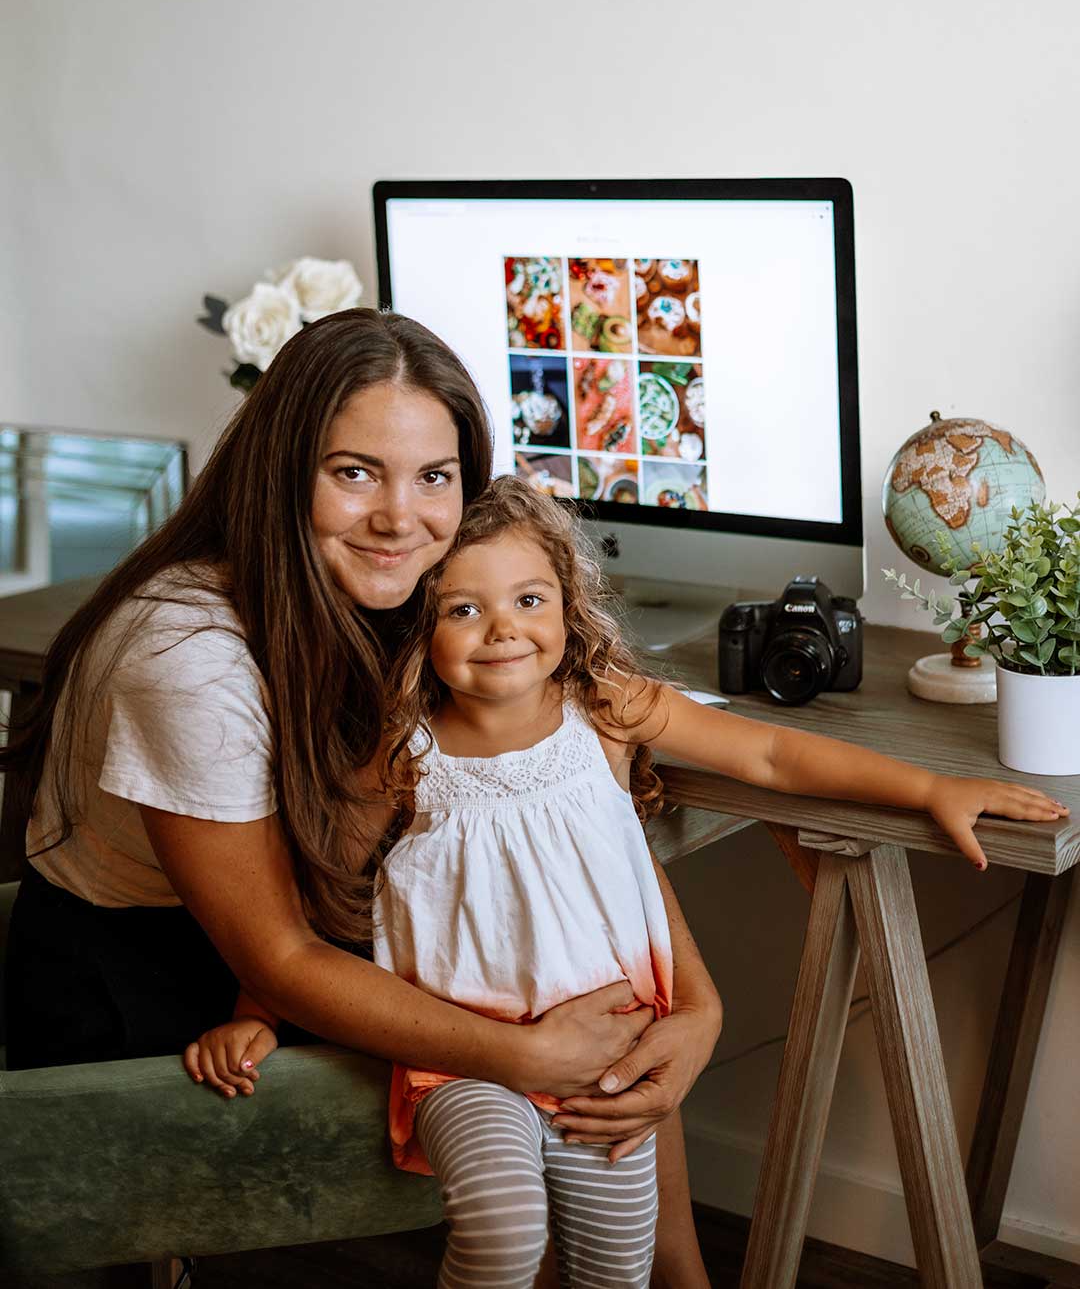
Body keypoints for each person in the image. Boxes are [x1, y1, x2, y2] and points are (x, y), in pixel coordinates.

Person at [185, 475, 1068, 1288]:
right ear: (420, 628)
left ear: (568, 606)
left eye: (530, 600)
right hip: (461, 1059)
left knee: (619, 1265)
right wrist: (253, 1012)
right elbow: (315, 896)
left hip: (611, 1053)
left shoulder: (603, 708)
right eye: (463, 608)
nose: (503, 629)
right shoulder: (399, 752)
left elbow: (768, 751)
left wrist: (931, 788)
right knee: (502, 1233)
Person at [0, 309, 718, 1288]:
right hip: (154, 965)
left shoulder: (428, 596)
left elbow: (571, 826)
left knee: (589, 1006)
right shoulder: (185, 657)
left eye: (433, 476)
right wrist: (527, 1058)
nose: (400, 517)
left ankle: (672, 1270)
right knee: (565, 1068)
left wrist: (702, 1008)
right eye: (353, 472)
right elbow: (280, 954)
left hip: (332, 913)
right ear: (283, 470)